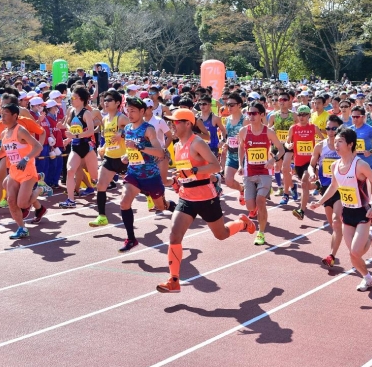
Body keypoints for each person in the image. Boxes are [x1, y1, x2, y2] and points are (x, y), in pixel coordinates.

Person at [156, 108, 256, 293]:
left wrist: (193, 171)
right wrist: (178, 180)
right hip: (186, 197)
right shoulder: (177, 146)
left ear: (188, 124)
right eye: (171, 121)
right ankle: (174, 280)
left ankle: (242, 223)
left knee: (221, 234)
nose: (172, 125)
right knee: (174, 235)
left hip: (206, 197)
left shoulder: (197, 143)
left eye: (175, 122)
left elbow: (216, 166)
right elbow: (184, 172)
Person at [309, 127, 372, 291]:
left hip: (363, 212)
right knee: (353, 254)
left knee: (356, 252)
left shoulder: (360, 165)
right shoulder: (335, 165)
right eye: (335, 141)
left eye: (340, 141)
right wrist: (320, 202)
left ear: (350, 144)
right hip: (347, 213)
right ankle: (367, 278)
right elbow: (334, 187)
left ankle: (371, 235)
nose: (335, 144)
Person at [118, 97, 173, 252]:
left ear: (142, 111)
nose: (129, 114)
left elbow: (160, 152)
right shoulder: (128, 128)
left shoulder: (148, 129)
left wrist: (139, 146)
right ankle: (131, 239)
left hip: (150, 175)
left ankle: (170, 205)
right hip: (134, 173)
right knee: (124, 202)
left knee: (160, 207)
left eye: (133, 111)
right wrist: (127, 156)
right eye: (128, 110)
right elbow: (132, 150)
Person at [0, 103, 43, 239]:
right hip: (14, 172)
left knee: (22, 204)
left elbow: (37, 146)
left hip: (27, 171)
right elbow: (2, 152)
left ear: (15, 116)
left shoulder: (20, 130)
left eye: (5, 114)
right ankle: (22, 228)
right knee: (11, 200)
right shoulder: (4, 133)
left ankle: (39, 190)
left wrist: (25, 159)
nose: (2, 116)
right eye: (1, 114)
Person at [237, 102, 286, 246]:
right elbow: (241, 148)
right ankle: (256, 197)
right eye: (249, 113)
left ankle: (261, 233)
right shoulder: (244, 131)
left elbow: (281, 150)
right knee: (250, 207)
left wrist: (272, 160)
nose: (251, 116)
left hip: (264, 171)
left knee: (260, 201)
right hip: (249, 172)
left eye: (254, 113)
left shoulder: (268, 132)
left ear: (262, 115)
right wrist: (241, 164)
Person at [89, 90, 128, 227]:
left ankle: (152, 195)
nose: (105, 102)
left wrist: (121, 133)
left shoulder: (121, 118)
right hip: (109, 158)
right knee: (100, 185)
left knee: (138, 187)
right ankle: (102, 216)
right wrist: (104, 147)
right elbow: (109, 139)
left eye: (109, 100)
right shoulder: (105, 119)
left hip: (124, 159)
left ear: (117, 103)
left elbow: (133, 129)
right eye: (105, 100)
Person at [308, 115, 343, 267]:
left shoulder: (344, 146)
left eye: (333, 128)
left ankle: (331, 256)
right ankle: (367, 234)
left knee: (336, 222)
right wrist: (311, 172)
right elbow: (311, 164)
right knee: (333, 224)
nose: (330, 131)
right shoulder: (320, 146)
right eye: (327, 128)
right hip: (325, 189)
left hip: (342, 189)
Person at [58, 86, 99, 208]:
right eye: (71, 97)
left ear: (81, 99)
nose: (72, 99)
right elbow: (70, 127)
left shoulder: (86, 113)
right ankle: (71, 200)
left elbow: (91, 131)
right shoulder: (70, 110)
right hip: (75, 147)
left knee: (94, 176)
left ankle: (102, 189)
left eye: (74, 97)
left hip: (87, 147)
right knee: (70, 171)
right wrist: (68, 138)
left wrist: (74, 135)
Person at [283, 105, 323, 216]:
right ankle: (317, 186)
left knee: (304, 182)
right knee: (306, 185)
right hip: (298, 162)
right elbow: (286, 142)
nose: (301, 117)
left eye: (304, 115)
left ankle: (301, 210)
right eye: (299, 115)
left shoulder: (313, 127)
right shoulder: (293, 128)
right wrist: (288, 145)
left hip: (310, 162)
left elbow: (323, 141)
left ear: (309, 115)